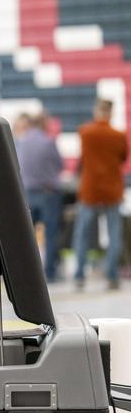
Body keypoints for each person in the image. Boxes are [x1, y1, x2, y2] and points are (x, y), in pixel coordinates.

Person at [72, 99, 128, 290]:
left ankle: (79, 275)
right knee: (114, 234)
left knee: (83, 234)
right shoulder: (119, 135)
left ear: (96, 111)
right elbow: (122, 158)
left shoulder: (85, 132)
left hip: (90, 190)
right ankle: (112, 276)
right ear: (111, 113)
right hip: (112, 189)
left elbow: (83, 158)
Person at [15, 113, 63, 282]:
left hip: (27, 193)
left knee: (27, 235)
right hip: (48, 193)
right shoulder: (48, 142)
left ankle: (26, 272)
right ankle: (49, 272)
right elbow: (59, 164)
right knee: (50, 234)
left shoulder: (21, 142)